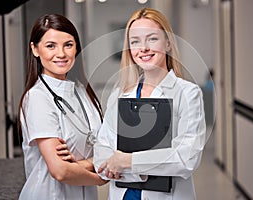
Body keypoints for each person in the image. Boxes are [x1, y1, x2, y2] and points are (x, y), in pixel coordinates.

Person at [92, 7, 207, 200]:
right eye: (135, 41)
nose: (143, 48)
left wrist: (127, 161)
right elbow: (102, 151)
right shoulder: (120, 95)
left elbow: (187, 158)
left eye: (152, 39)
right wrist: (118, 166)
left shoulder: (188, 94)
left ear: (168, 43)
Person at [17, 13, 107, 200]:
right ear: (35, 49)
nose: (61, 54)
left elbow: (106, 148)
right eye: (50, 46)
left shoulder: (82, 92)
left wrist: (84, 163)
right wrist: (101, 177)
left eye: (68, 45)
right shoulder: (37, 98)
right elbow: (60, 171)